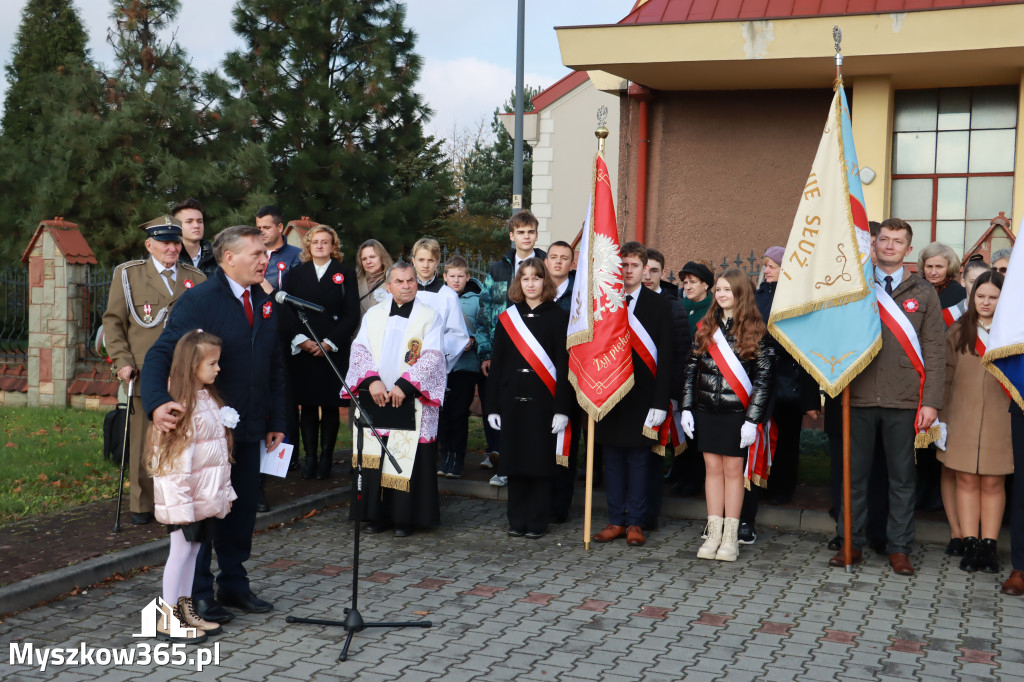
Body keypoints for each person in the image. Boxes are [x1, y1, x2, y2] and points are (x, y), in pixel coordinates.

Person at [143, 225, 286, 624]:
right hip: (208, 432)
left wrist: (279, 419)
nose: (265, 259)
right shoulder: (201, 300)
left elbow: (274, 363)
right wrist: (156, 403)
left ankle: (235, 582)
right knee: (205, 511)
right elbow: (161, 354)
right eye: (257, 254)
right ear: (229, 259)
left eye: (266, 252)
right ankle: (199, 594)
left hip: (252, 425)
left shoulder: (267, 300)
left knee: (239, 512)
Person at [829, 218, 945, 577]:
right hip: (858, 395)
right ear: (874, 243)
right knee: (855, 478)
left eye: (898, 242)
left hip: (905, 400)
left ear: (909, 250)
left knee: (901, 479)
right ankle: (851, 542)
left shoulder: (924, 292)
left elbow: (936, 351)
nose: (890, 246)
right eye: (884, 239)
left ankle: (899, 548)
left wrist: (931, 401)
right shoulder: (854, 286)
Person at [102, 215, 207, 525]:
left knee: (184, 437)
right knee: (142, 441)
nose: (171, 248)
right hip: (144, 371)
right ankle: (142, 504)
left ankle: (177, 499)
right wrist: (122, 362)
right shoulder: (128, 275)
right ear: (149, 245)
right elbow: (113, 322)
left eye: (175, 242)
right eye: (164, 243)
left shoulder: (195, 277)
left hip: (185, 370)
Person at [147, 330, 237, 643]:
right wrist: (181, 505)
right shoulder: (179, 405)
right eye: (212, 363)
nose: (218, 368)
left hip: (200, 497)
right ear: (191, 365)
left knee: (195, 551)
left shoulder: (205, 397)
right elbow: (173, 464)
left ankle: (186, 610)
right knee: (180, 551)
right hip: (183, 499)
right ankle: (167, 615)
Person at [345, 262, 446, 537]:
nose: (406, 286)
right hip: (376, 397)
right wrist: (372, 381)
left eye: (411, 280)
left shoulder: (430, 316)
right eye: (399, 281)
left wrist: (405, 385)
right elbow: (360, 349)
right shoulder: (374, 315)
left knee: (406, 458)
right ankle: (376, 517)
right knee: (376, 455)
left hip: (410, 399)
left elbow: (434, 356)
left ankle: (405, 518)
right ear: (388, 287)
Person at [681, 268, 774, 562]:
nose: (721, 295)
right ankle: (714, 531)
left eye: (728, 290)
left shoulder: (757, 331)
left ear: (741, 294)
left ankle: (731, 537)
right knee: (712, 470)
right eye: (719, 289)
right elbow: (691, 371)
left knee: (733, 473)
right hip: (707, 412)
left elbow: (763, 380)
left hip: (738, 415)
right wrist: (686, 408)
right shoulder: (706, 327)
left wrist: (752, 420)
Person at [591, 242, 673, 548]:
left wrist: (660, 402)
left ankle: (636, 522)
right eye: (622, 265)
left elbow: (666, 358)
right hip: (609, 393)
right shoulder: (603, 303)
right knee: (611, 459)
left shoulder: (660, 305)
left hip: (644, 397)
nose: (627, 271)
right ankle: (615, 520)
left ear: (644, 270)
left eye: (634, 266)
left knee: (639, 460)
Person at [486, 258, 571, 538]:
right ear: (518, 283)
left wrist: (562, 408)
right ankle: (516, 519)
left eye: (536, 278)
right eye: (525, 278)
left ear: (544, 282)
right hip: (511, 400)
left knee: (539, 462)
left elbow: (563, 364)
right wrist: (492, 406)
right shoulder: (508, 317)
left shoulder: (558, 316)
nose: (531, 283)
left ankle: (537, 520)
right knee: (514, 460)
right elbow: (497, 365)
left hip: (544, 402)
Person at [937, 271, 1009, 573]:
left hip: (1001, 420)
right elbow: (945, 377)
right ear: (972, 296)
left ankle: (989, 545)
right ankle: (970, 543)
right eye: (981, 296)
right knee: (965, 479)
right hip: (961, 417)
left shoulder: (1013, 333)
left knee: (993, 482)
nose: (986, 302)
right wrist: (940, 419)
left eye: (993, 297)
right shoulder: (957, 331)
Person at [749, 247, 819, 535]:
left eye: (774, 266)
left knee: (787, 439)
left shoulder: (797, 300)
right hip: (758, 380)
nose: (767, 270)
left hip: (789, 381)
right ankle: (759, 483)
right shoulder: (757, 297)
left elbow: (806, 348)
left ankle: (782, 487)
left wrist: (810, 398)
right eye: (766, 265)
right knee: (759, 436)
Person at [280, 225, 359, 480]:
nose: (320, 246)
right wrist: (302, 340)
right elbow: (287, 311)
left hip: (332, 349)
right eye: (315, 242)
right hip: (303, 348)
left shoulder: (344, 273)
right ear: (308, 246)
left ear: (333, 246)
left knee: (330, 405)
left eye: (326, 242)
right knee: (309, 406)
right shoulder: (296, 273)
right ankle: (310, 458)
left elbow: (351, 314)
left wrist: (328, 342)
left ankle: (326, 458)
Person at [478, 210, 548, 483]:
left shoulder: (546, 263)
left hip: (538, 352)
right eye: (520, 232)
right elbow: (486, 312)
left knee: (533, 414)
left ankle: (533, 468)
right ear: (512, 236)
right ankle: (504, 466)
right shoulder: (499, 268)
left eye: (530, 232)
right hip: (505, 350)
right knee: (505, 410)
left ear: (536, 235)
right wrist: (486, 352)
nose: (526, 236)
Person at [937, 255, 990, 556]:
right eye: (972, 284)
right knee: (951, 470)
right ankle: (958, 533)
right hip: (953, 405)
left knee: (981, 475)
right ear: (964, 284)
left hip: (985, 410)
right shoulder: (954, 322)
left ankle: (979, 535)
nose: (978, 290)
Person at [642, 247, 692, 530]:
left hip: (663, 395)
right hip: (634, 395)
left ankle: (649, 513)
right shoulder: (625, 302)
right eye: (643, 270)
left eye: (654, 271)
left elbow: (681, 354)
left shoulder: (673, 306)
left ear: (663, 272)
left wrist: (674, 395)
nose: (647, 276)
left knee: (657, 454)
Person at [916, 242, 965, 513]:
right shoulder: (916, 290)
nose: (933, 271)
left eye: (939, 266)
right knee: (921, 433)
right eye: (929, 266)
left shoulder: (960, 295)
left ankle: (938, 491)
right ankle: (923, 486)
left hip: (948, 372)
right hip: (917, 371)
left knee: (942, 433)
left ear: (950, 268)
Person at [436, 255, 484, 479]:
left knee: (458, 413)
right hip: (442, 366)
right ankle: (444, 456)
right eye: (451, 276)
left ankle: (457, 459)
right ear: (444, 277)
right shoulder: (438, 297)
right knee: (442, 413)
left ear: (467, 277)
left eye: (460, 276)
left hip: (465, 365)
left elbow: (483, 326)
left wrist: (472, 340)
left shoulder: (476, 300)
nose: (456, 280)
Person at [673, 260, 716, 497]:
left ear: (706, 285)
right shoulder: (681, 306)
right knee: (681, 430)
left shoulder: (712, 310)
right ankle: (680, 474)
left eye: (693, 282)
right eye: (685, 282)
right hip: (681, 378)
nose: (687, 286)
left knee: (698, 431)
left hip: (703, 382)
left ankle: (695, 478)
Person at [547, 241, 581, 521]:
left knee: (567, 444)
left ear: (572, 263)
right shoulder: (535, 290)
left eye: (564, 258)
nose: (558, 262)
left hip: (574, 377)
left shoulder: (580, 294)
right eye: (553, 257)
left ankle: (559, 506)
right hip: (540, 378)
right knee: (542, 443)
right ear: (546, 261)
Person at [410, 238, 470, 372]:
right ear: (413, 261)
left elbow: (457, 335)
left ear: (437, 262)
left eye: (430, 260)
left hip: (434, 364)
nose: (425, 265)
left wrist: (433, 349)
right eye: (421, 260)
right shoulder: (404, 292)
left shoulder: (448, 296)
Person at [255, 205, 302, 293]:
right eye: (259, 228)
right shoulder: (251, 254)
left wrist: (272, 294)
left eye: (266, 228)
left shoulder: (298, 256)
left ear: (280, 227)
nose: (261, 232)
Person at [173, 198, 218, 278]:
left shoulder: (218, 256)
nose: (196, 226)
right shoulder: (166, 256)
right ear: (176, 226)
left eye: (200, 221)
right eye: (189, 221)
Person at [356, 239, 393, 317]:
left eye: (372, 257)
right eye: (364, 259)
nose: (368, 262)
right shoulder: (355, 282)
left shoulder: (393, 282)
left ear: (382, 258)